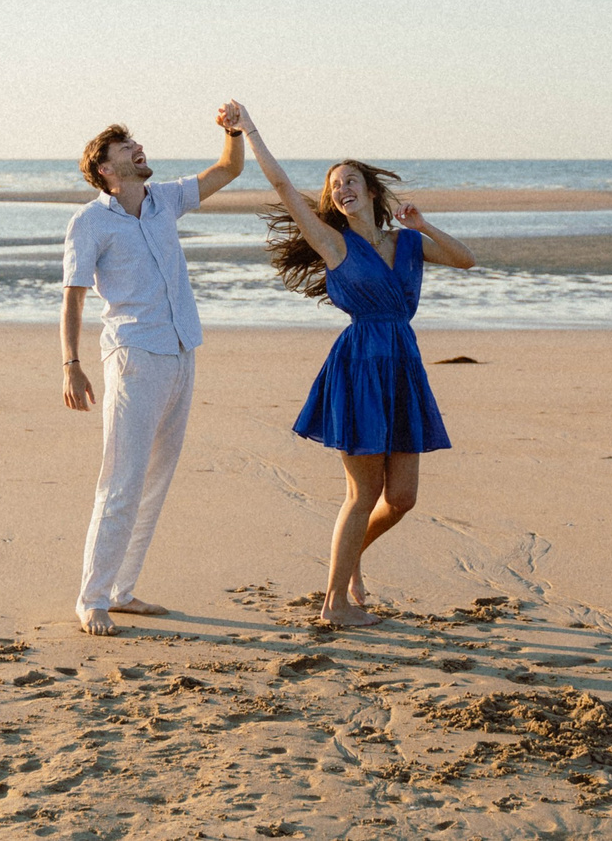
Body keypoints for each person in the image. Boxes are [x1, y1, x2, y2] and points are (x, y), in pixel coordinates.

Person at [230, 102, 474, 627]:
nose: (343, 188)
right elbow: (284, 189)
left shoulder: (407, 243)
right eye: (335, 184)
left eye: (351, 180)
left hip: (403, 366)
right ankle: (335, 603)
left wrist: (425, 224)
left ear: (370, 189)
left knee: (402, 497)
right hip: (360, 365)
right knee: (363, 493)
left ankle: (350, 560)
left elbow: (464, 259)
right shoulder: (332, 242)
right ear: (333, 200)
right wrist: (250, 129)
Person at [60, 108, 247, 635]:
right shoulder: (89, 222)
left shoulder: (164, 198)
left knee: (156, 478)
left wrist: (233, 130)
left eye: (135, 143)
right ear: (105, 169)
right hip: (133, 356)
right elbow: (72, 298)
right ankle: (91, 598)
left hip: (183, 349)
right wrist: (71, 364)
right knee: (121, 479)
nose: (137, 149)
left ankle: (122, 590)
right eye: (124, 149)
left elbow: (227, 170)